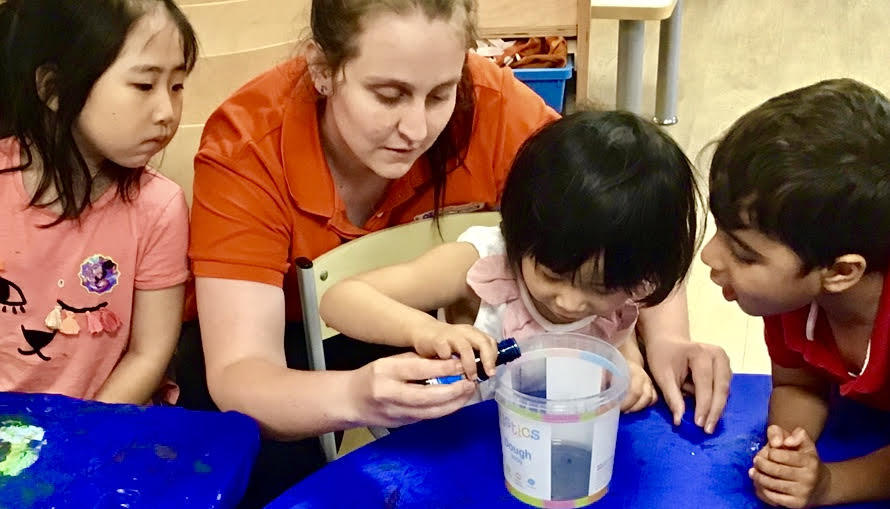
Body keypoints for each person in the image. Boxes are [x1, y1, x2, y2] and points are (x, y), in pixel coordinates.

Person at [183, 0, 730, 503]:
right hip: (292, 350)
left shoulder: (489, 102)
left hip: (439, 344)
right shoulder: (247, 146)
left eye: (441, 93)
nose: (416, 128)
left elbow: (620, 209)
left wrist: (669, 339)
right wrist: (356, 396)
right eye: (388, 95)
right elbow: (242, 375)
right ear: (323, 68)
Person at [321, 110, 705, 414]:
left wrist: (629, 372)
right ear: (519, 234)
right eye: (551, 275)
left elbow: (617, 343)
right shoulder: (484, 264)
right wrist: (426, 330)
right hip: (467, 450)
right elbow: (340, 300)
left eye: (600, 289)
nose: (569, 302)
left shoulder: (627, 281)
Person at [701, 78, 890, 507]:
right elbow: (798, 385)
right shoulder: (796, 298)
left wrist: (831, 484)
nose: (710, 256)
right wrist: (787, 451)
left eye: (743, 254)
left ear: (841, 271)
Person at [0, 0, 196, 404]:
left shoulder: (159, 207)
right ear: (53, 89)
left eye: (177, 86)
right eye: (144, 85)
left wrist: (81, 431)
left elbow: (149, 353)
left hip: (103, 423)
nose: (167, 112)